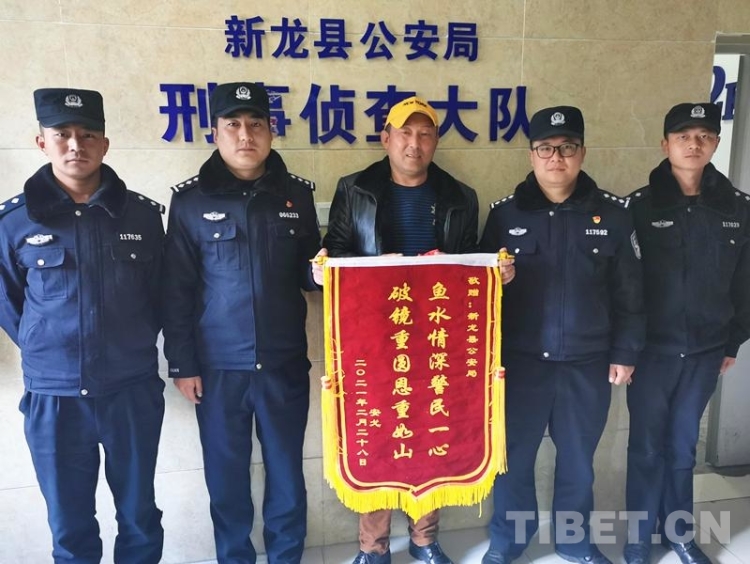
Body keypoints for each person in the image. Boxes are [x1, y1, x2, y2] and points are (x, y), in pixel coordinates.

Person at [321, 95, 515, 564]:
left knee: (431, 428)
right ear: (385, 138)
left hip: (435, 336)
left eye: (425, 134)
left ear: (436, 141)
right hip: (372, 337)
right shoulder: (355, 189)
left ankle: (425, 540)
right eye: (405, 133)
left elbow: (469, 264)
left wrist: (496, 273)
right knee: (375, 433)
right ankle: (373, 547)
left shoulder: (460, 196)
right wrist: (361, 266)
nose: (415, 143)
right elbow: (336, 252)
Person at [0, 88, 165, 563]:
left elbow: (161, 295)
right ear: (42, 142)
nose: (76, 145)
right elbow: (9, 302)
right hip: (55, 397)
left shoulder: (141, 216)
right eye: (63, 134)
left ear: (105, 144)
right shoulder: (14, 222)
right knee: (70, 525)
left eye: (88, 134)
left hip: (130, 390)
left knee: (139, 516)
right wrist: (46, 346)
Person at [162, 81, 321, 564]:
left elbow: (307, 274)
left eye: (256, 124)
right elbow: (176, 289)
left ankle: (286, 557)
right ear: (215, 132)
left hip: (283, 362)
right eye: (233, 124)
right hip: (217, 369)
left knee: (286, 474)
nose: (245, 135)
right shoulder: (190, 202)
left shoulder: (296, 196)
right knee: (226, 478)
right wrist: (183, 364)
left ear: (271, 131)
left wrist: (318, 273)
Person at [479, 106, 645, 564]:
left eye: (567, 147)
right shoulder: (504, 215)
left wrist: (626, 352)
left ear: (582, 153)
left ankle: (574, 541)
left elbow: (631, 292)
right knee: (512, 460)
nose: (557, 157)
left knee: (578, 462)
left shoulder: (613, 215)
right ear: (531, 155)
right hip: (520, 364)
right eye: (546, 148)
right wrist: (496, 282)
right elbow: (476, 295)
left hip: (586, 363)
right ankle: (509, 541)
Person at [623, 103, 750, 564]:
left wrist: (732, 342)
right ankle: (638, 538)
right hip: (651, 353)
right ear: (665, 145)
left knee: (682, 447)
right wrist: (626, 349)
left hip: (705, 352)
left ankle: (678, 533)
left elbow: (745, 283)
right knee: (646, 447)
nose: (694, 144)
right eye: (683, 136)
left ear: (715, 143)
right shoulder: (638, 207)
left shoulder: (738, 208)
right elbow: (624, 285)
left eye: (704, 136)